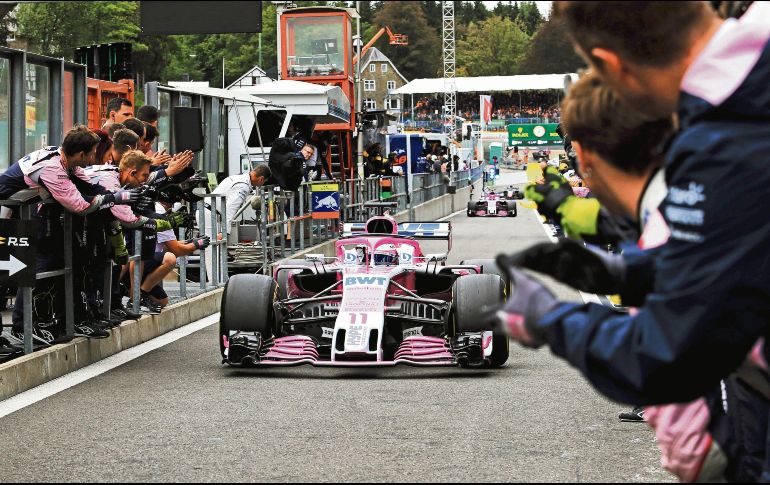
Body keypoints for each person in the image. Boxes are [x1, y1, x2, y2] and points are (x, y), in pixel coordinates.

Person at [494, 2, 770, 481]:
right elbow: (739, 257)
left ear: (612, 64)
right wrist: (629, 272)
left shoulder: (721, 140)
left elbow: (668, 355)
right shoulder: (744, 90)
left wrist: (549, 317)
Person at [197, 164, 271, 283]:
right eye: (263, 182)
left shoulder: (237, 178)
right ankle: (215, 283)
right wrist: (224, 231)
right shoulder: (243, 186)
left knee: (217, 249)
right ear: (261, 179)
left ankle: (220, 281)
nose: (262, 185)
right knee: (212, 249)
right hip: (211, 214)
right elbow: (230, 209)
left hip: (210, 212)